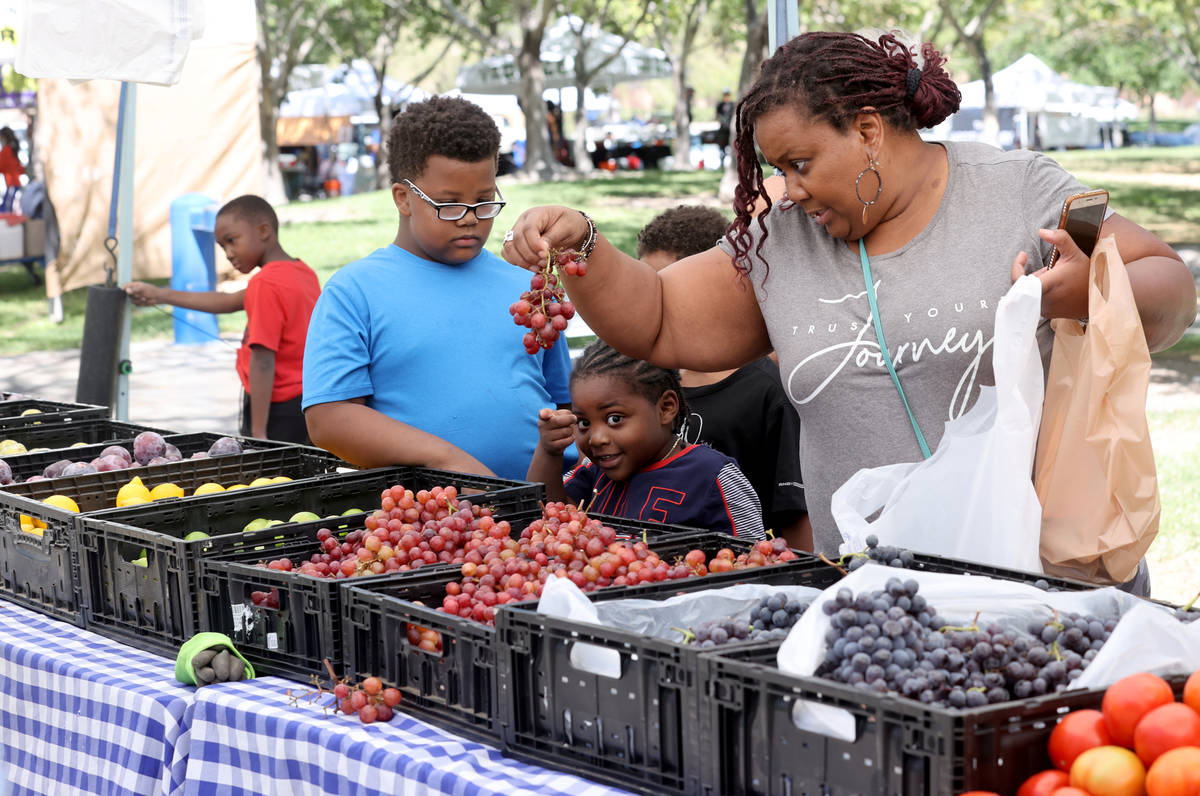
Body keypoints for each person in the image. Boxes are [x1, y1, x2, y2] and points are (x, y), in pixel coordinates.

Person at [501, 32, 1196, 595]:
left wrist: (1092, 291)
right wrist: (582, 240)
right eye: (778, 168)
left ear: (867, 131)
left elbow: (1166, 281)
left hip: (1041, 585)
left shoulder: (1025, 188)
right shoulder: (781, 239)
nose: (790, 190)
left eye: (800, 163)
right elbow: (656, 319)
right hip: (873, 600)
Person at [302, 96, 572, 480]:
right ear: (403, 198)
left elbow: (564, 402)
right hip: (427, 525)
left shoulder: (528, 289)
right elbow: (328, 419)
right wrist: (448, 461)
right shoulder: (354, 291)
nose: (470, 220)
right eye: (449, 205)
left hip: (541, 517)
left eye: (483, 202)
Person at [637, 205, 812, 550]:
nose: (650, 301)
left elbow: (794, 515)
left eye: (664, 287)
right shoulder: (641, 379)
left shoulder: (766, 389)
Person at [124, 195, 321, 444]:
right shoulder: (302, 272)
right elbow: (227, 301)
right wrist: (159, 294)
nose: (228, 253)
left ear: (263, 231)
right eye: (222, 246)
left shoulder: (265, 283)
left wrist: (260, 435)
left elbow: (262, 360)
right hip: (307, 402)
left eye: (232, 241)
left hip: (275, 409)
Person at [529, 340, 765, 541]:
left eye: (614, 418)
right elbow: (545, 519)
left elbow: (755, 564)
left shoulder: (713, 476)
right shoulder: (594, 473)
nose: (597, 438)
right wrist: (548, 452)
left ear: (665, 408)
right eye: (584, 423)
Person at [0, 127, 24, 213]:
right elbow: (20, 169)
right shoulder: (12, 150)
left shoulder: (6, 150)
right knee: (5, 206)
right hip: (13, 183)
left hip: (12, 183)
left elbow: (1, 166)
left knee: (6, 209)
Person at [714, 90, 734, 169]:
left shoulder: (732, 105)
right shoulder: (720, 105)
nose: (727, 96)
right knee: (721, 147)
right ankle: (722, 163)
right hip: (723, 129)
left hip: (730, 129)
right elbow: (717, 115)